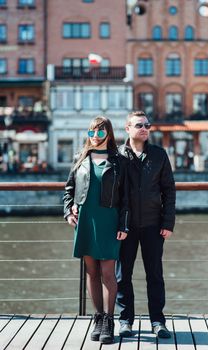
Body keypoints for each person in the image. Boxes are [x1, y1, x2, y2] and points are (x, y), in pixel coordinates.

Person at [63, 116, 129, 344]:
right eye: (91, 132)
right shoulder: (79, 158)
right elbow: (68, 191)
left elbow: (126, 198)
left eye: (100, 132)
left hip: (109, 220)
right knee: (92, 272)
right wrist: (68, 212)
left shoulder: (119, 161)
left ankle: (109, 320)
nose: (95, 136)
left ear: (108, 134)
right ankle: (98, 318)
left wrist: (123, 224)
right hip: (85, 221)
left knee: (108, 273)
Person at [116, 111, 176, 338]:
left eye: (147, 125)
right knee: (123, 276)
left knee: (155, 275)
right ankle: (125, 320)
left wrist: (168, 222)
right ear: (127, 129)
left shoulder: (159, 155)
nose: (144, 128)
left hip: (154, 224)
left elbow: (169, 190)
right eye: (139, 125)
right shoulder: (118, 155)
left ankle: (158, 321)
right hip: (125, 226)